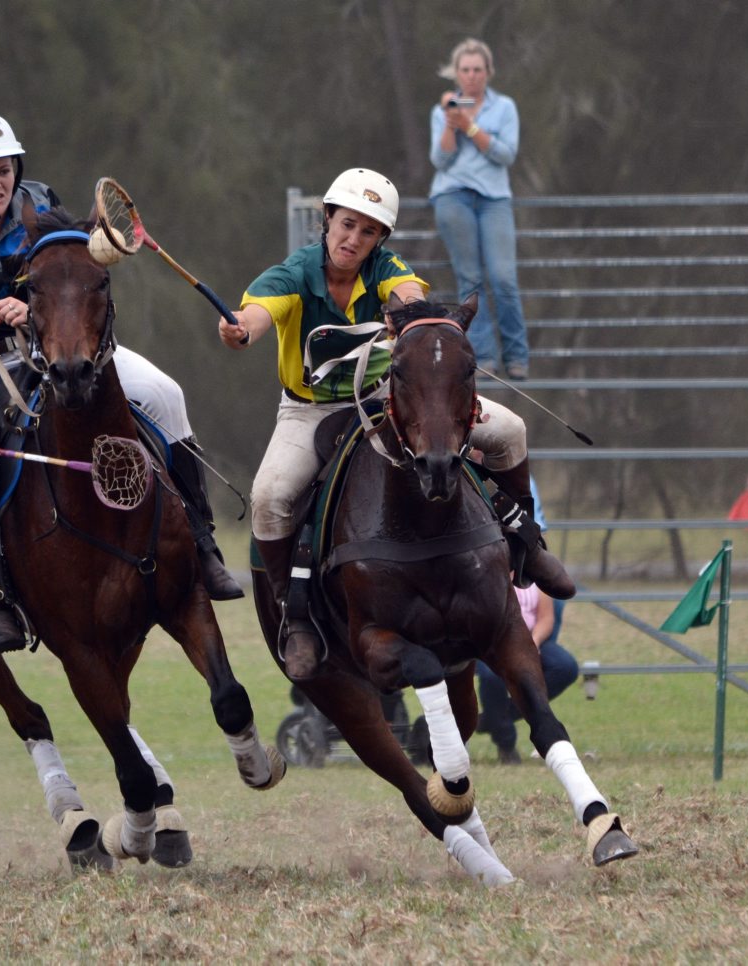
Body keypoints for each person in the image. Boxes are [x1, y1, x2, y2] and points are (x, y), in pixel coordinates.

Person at [0, 111, 242, 655]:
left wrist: (84, 255)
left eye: (4, 170)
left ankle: (203, 540)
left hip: (56, 344)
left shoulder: (40, 201)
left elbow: (71, 266)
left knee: (165, 394)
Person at [219, 167, 573, 682]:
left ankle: (527, 547)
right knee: (270, 498)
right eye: (345, 225)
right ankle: (294, 615)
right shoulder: (293, 274)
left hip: (387, 399)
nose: (353, 239)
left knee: (511, 432)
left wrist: (409, 314)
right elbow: (255, 315)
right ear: (327, 221)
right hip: (310, 409)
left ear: (380, 238)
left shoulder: (387, 267)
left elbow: (408, 292)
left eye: (367, 231)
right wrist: (238, 330)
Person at [428, 37, 530, 380]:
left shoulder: (505, 108)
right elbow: (440, 159)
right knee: (469, 278)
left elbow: (505, 154)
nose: (471, 75)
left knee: (503, 277)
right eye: (465, 69)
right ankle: (483, 357)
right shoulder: (443, 109)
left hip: (494, 199)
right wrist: (450, 123)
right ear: (456, 73)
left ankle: (517, 357)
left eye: (477, 69)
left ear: (488, 72)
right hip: (453, 195)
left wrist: (470, 126)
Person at [475, 475, 578, 763]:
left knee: (565, 667)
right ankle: (505, 739)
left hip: (533, 639)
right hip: (492, 643)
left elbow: (546, 617)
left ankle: (495, 719)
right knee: (491, 677)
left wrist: (529, 643)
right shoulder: (487, 568)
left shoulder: (531, 565)